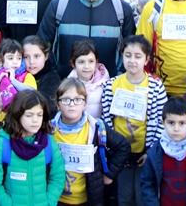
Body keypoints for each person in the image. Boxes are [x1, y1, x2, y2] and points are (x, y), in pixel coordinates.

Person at [39, 0, 135, 78]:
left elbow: (130, 52)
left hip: (107, 91)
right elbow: (42, 47)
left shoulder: (122, 10)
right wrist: (56, 79)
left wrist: (116, 79)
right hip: (65, 90)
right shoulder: (59, 6)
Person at [102, 35, 167, 206]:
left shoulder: (155, 86)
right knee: (124, 197)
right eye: (128, 55)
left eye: (138, 56)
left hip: (145, 153)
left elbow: (161, 121)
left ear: (146, 59)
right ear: (122, 56)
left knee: (142, 196)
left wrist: (151, 151)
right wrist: (114, 149)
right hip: (120, 153)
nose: (132, 61)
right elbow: (107, 120)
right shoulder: (111, 85)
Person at [50, 77, 131, 206]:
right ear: (57, 104)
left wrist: (109, 175)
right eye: (66, 100)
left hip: (88, 199)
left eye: (78, 100)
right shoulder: (49, 131)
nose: (72, 104)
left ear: (85, 103)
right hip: (55, 199)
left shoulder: (96, 127)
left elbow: (123, 146)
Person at [0, 90, 66, 206]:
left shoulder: (49, 143)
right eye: (29, 115)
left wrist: (48, 202)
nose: (35, 120)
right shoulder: (1, 146)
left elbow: (58, 177)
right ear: (17, 115)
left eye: (39, 115)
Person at [140, 97, 186, 206]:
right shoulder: (155, 152)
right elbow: (147, 184)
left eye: (182, 123)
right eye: (171, 123)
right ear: (162, 123)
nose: (176, 129)